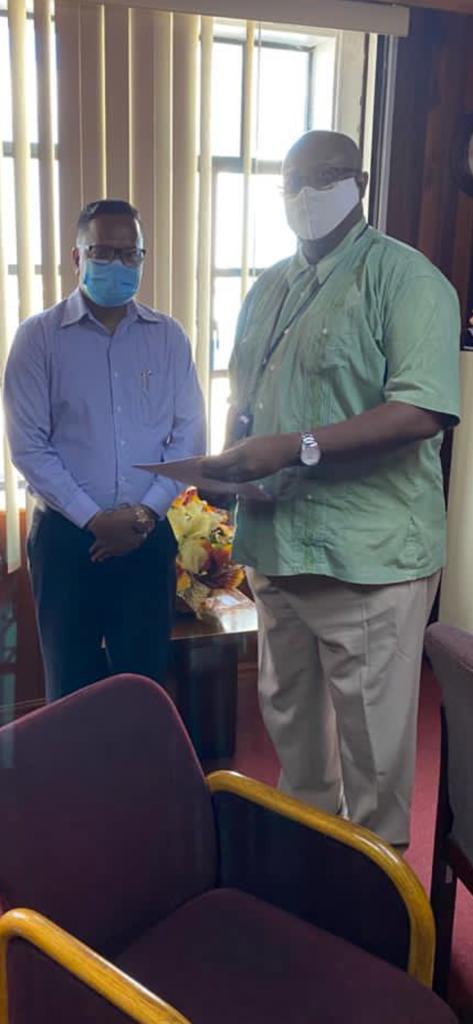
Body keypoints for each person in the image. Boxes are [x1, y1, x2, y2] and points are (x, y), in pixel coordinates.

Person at [202, 130, 461, 849]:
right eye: (292, 181)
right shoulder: (271, 287)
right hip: (277, 544)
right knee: (293, 732)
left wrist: (294, 447)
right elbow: (247, 393)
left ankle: (376, 903)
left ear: (361, 183)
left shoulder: (406, 281)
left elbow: (422, 407)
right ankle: (307, 863)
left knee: (371, 752)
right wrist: (232, 465)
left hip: (367, 560)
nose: (306, 195)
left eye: (325, 177)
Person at [4, 198, 205, 702]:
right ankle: (75, 783)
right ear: (77, 257)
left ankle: (135, 782)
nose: (117, 263)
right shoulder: (38, 339)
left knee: (143, 687)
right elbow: (29, 447)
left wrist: (141, 516)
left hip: (147, 536)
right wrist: (96, 520)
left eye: (129, 254)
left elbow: (188, 439)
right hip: (68, 541)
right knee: (70, 688)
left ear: (142, 258)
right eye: (104, 251)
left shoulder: (169, 339)